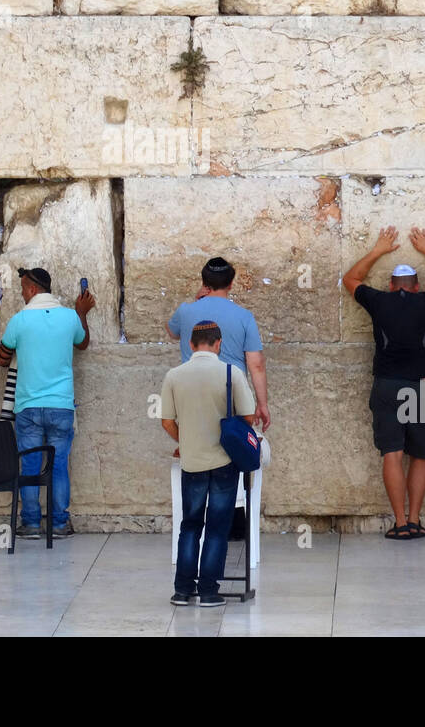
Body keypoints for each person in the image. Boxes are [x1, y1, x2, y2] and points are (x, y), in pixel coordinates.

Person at [342, 225, 425, 541]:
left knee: (392, 453)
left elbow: (350, 279)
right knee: (420, 455)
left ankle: (398, 522)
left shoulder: (379, 300)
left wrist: (378, 250)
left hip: (386, 386)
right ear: (416, 285)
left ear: (391, 284)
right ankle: (414, 520)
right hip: (417, 388)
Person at [161, 320, 256, 608]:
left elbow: (166, 421)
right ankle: (209, 592)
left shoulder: (174, 375)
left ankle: (182, 590)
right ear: (218, 344)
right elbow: (248, 416)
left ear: (191, 344)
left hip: (192, 462)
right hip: (224, 461)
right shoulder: (231, 372)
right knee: (217, 527)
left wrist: (185, 441)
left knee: (190, 526)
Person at [0, 266, 94, 539]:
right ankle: (60, 524)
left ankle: (31, 524)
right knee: (59, 464)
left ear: (31, 289)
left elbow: (1, 359)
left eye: (23, 289)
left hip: (28, 406)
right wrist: (82, 313)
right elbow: (83, 343)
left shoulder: (20, 320)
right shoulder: (69, 317)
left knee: (29, 466)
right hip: (61, 405)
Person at [167, 257, 270, 432]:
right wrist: (262, 404)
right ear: (230, 284)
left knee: (196, 443)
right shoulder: (244, 316)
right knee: (233, 445)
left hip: (192, 391)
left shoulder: (185, 311)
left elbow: (172, 331)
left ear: (204, 282)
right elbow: (256, 364)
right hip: (230, 393)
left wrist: (196, 301)